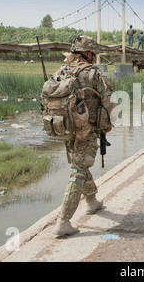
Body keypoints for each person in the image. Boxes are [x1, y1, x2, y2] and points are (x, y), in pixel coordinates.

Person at [51, 35, 115, 237]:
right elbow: (107, 103)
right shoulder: (94, 74)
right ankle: (63, 221)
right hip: (86, 130)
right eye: (93, 54)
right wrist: (105, 128)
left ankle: (91, 201)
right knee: (79, 170)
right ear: (88, 54)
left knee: (79, 164)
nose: (94, 58)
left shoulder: (61, 72)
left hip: (64, 128)